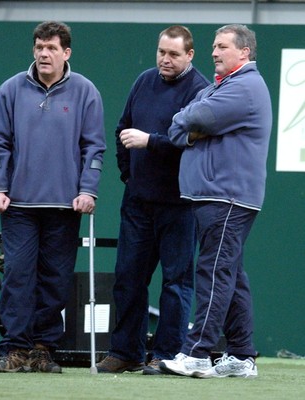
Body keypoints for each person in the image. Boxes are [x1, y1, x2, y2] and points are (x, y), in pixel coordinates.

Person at [0, 21, 106, 373]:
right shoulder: (10, 90)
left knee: (55, 280)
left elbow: (94, 148)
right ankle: (14, 348)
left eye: (51, 47)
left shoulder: (86, 92)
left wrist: (88, 190)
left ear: (66, 53)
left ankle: (42, 349)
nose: (43, 53)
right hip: (19, 205)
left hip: (65, 205)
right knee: (17, 277)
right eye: (39, 46)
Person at [159, 24, 272, 378]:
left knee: (214, 272)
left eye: (222, 46)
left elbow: (192, 117)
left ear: (244, 52)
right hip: (216, 195)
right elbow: (179, 126)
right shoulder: (220, 86)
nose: (214, 52)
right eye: (213, 46)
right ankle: (240, 355)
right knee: (231, 275)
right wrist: (188, 122)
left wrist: (189, 121)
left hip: (227, 196)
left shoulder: (246, 86)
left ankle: (198, 353)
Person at [96, 25, 209, 375]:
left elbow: (190, 141)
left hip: (180, 204)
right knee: (128, 278)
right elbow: (121, 130)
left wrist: (150, 142)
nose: (165, 59)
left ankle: (166, 355)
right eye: (162, 52)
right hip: (138, 202)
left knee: (176, 283)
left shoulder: (202, 90)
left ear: (189, 55)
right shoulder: (144, 81)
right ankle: (125, 351)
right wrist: (128, 176)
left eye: (174, 54)